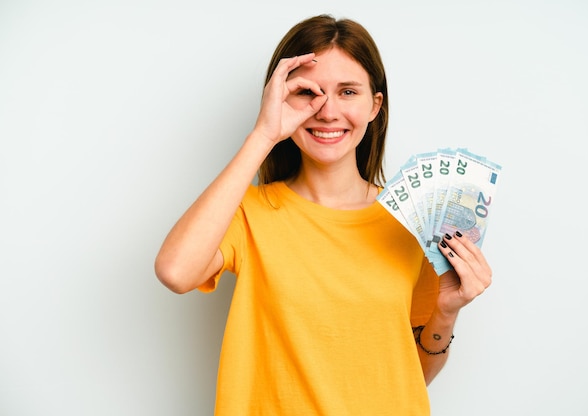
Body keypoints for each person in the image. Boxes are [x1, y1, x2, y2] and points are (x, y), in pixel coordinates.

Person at [155, 14, 492, 415]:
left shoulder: (412, 219)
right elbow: (175, 271)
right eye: (308, 92)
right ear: (279, 99)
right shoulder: (249, 212)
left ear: (375, 105)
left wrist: (446, 311)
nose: (327, 111)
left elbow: (409, 375)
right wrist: (263, 134)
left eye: (348, 92)